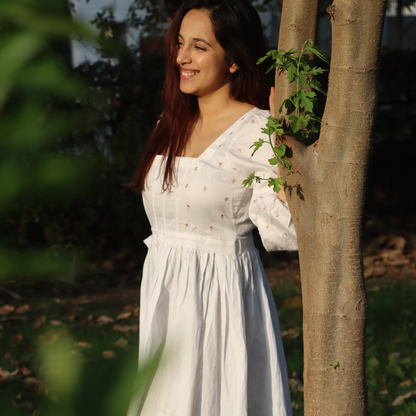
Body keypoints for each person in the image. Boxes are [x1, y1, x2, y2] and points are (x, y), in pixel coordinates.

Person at [127, 1, 297, 415]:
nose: (181, 57)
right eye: (181, 43)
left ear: (235, 60)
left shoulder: (258, 130)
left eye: (199, 46)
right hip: (166, 289)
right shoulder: (168, 125)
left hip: (222, 300)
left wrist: (281, 157)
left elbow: (286, 233)